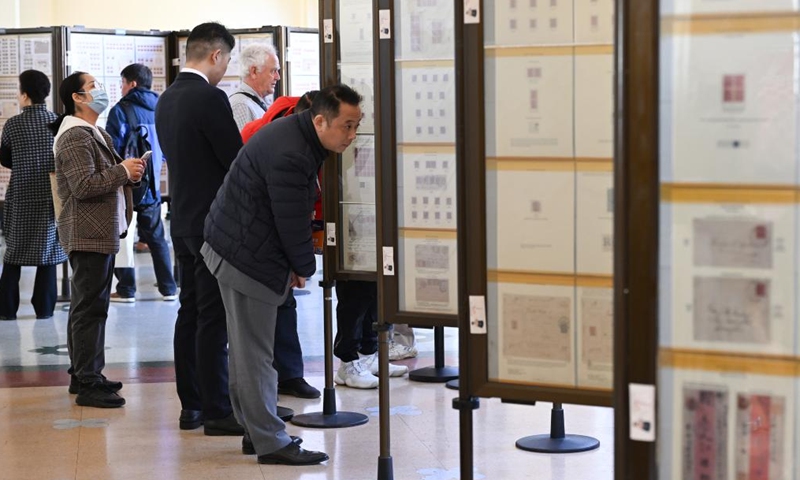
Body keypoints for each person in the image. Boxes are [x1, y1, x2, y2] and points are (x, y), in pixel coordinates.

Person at [202, 84, 365, 465]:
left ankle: (254, 431)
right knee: (256, 353)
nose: (352, 135)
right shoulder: (293, 152)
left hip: (234, 246)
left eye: (357, 125)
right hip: (246, 257)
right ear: (321, 119)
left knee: (246, 349)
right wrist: (304, 267)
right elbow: (291, 220)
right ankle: (271, 441)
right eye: (347, 126)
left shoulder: (294, 132)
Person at [155, 22, 244, 435]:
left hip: (183, 220)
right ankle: (215, 409)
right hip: (213, 223)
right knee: (213, 316)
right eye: (227, 59)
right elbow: (235, 160)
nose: (226, 68)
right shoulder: (210, 98)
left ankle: (190, 405)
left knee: (189, 311)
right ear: (215, 55)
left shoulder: (166, 98)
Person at [50, 71, 146, 408]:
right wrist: (122, 172)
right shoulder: (76, 135)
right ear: (77, 97)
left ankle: (85, 374)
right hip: (87, 231)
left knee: (89, 307)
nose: (100, 91)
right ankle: (88, 380)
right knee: (90, 309)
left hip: (98, 231)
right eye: (93, 87)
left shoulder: (92, 132)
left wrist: (130, 171)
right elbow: (84, 185)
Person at [238, 91, 320, 400]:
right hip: (255, 233)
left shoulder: (299, 134)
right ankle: (260, 396)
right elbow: (288, 210)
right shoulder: (281, 146)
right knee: (262, 311)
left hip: (275, 229)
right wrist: (300, 264)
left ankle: (288, 375)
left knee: (284, 303)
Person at [105, 63, 177, 303]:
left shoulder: (120, 111)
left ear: (132, 84)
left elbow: (111, 150)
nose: (121, 87)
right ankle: (168, 288)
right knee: (157, 239)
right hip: (152, 187)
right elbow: (167, 148)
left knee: (123, 236)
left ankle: (126, 290)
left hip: (126, 185)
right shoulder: (162, 109)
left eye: (123, 82)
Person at [0, 70, 67, 320]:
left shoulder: (13, 124)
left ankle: (6, 310)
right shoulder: (58, 122)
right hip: (50, 198)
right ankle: (44, 310)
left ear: (25, 95)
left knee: (14, 255)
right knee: (48, 255)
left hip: (21, 196)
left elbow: (5, 158)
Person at [230, 43, 280, 131]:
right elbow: (242, 144)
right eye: (273, 71)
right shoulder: (242, 105)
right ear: (254, 71)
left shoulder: (254, 102)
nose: (278, 77)